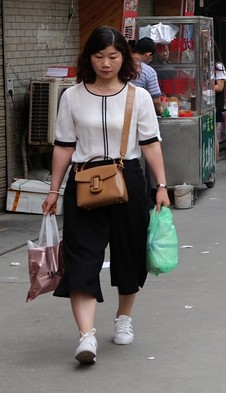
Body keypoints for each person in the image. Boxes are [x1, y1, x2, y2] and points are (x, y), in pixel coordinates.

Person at [40, 26, 171, 365]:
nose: (106, 63)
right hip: (84, 181)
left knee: (130, 254)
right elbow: (63, 146)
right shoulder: (72, 96)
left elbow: (150, 143)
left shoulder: (138, 97)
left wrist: (161, 186)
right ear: (89, 58)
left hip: (128, 180)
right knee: (81, 258)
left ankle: (124, 317)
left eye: (113, 56)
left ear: (124, 58)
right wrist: (54, 189)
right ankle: (86, 336)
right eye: (99, 56)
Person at [129, 37, 163, 114]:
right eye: (151, 58)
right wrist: (160, 111)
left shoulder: (120, 65)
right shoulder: (149, 72)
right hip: (139, 114)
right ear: (148, 55)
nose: (150, 60)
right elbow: (156, 101)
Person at [213, 46, 226, 159]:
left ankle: (214, 161)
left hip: (215, 103)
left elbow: (220, 87)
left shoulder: (218, 66)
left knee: (213, 134)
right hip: (206, 102)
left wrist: (203, 87)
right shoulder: (204, 65)